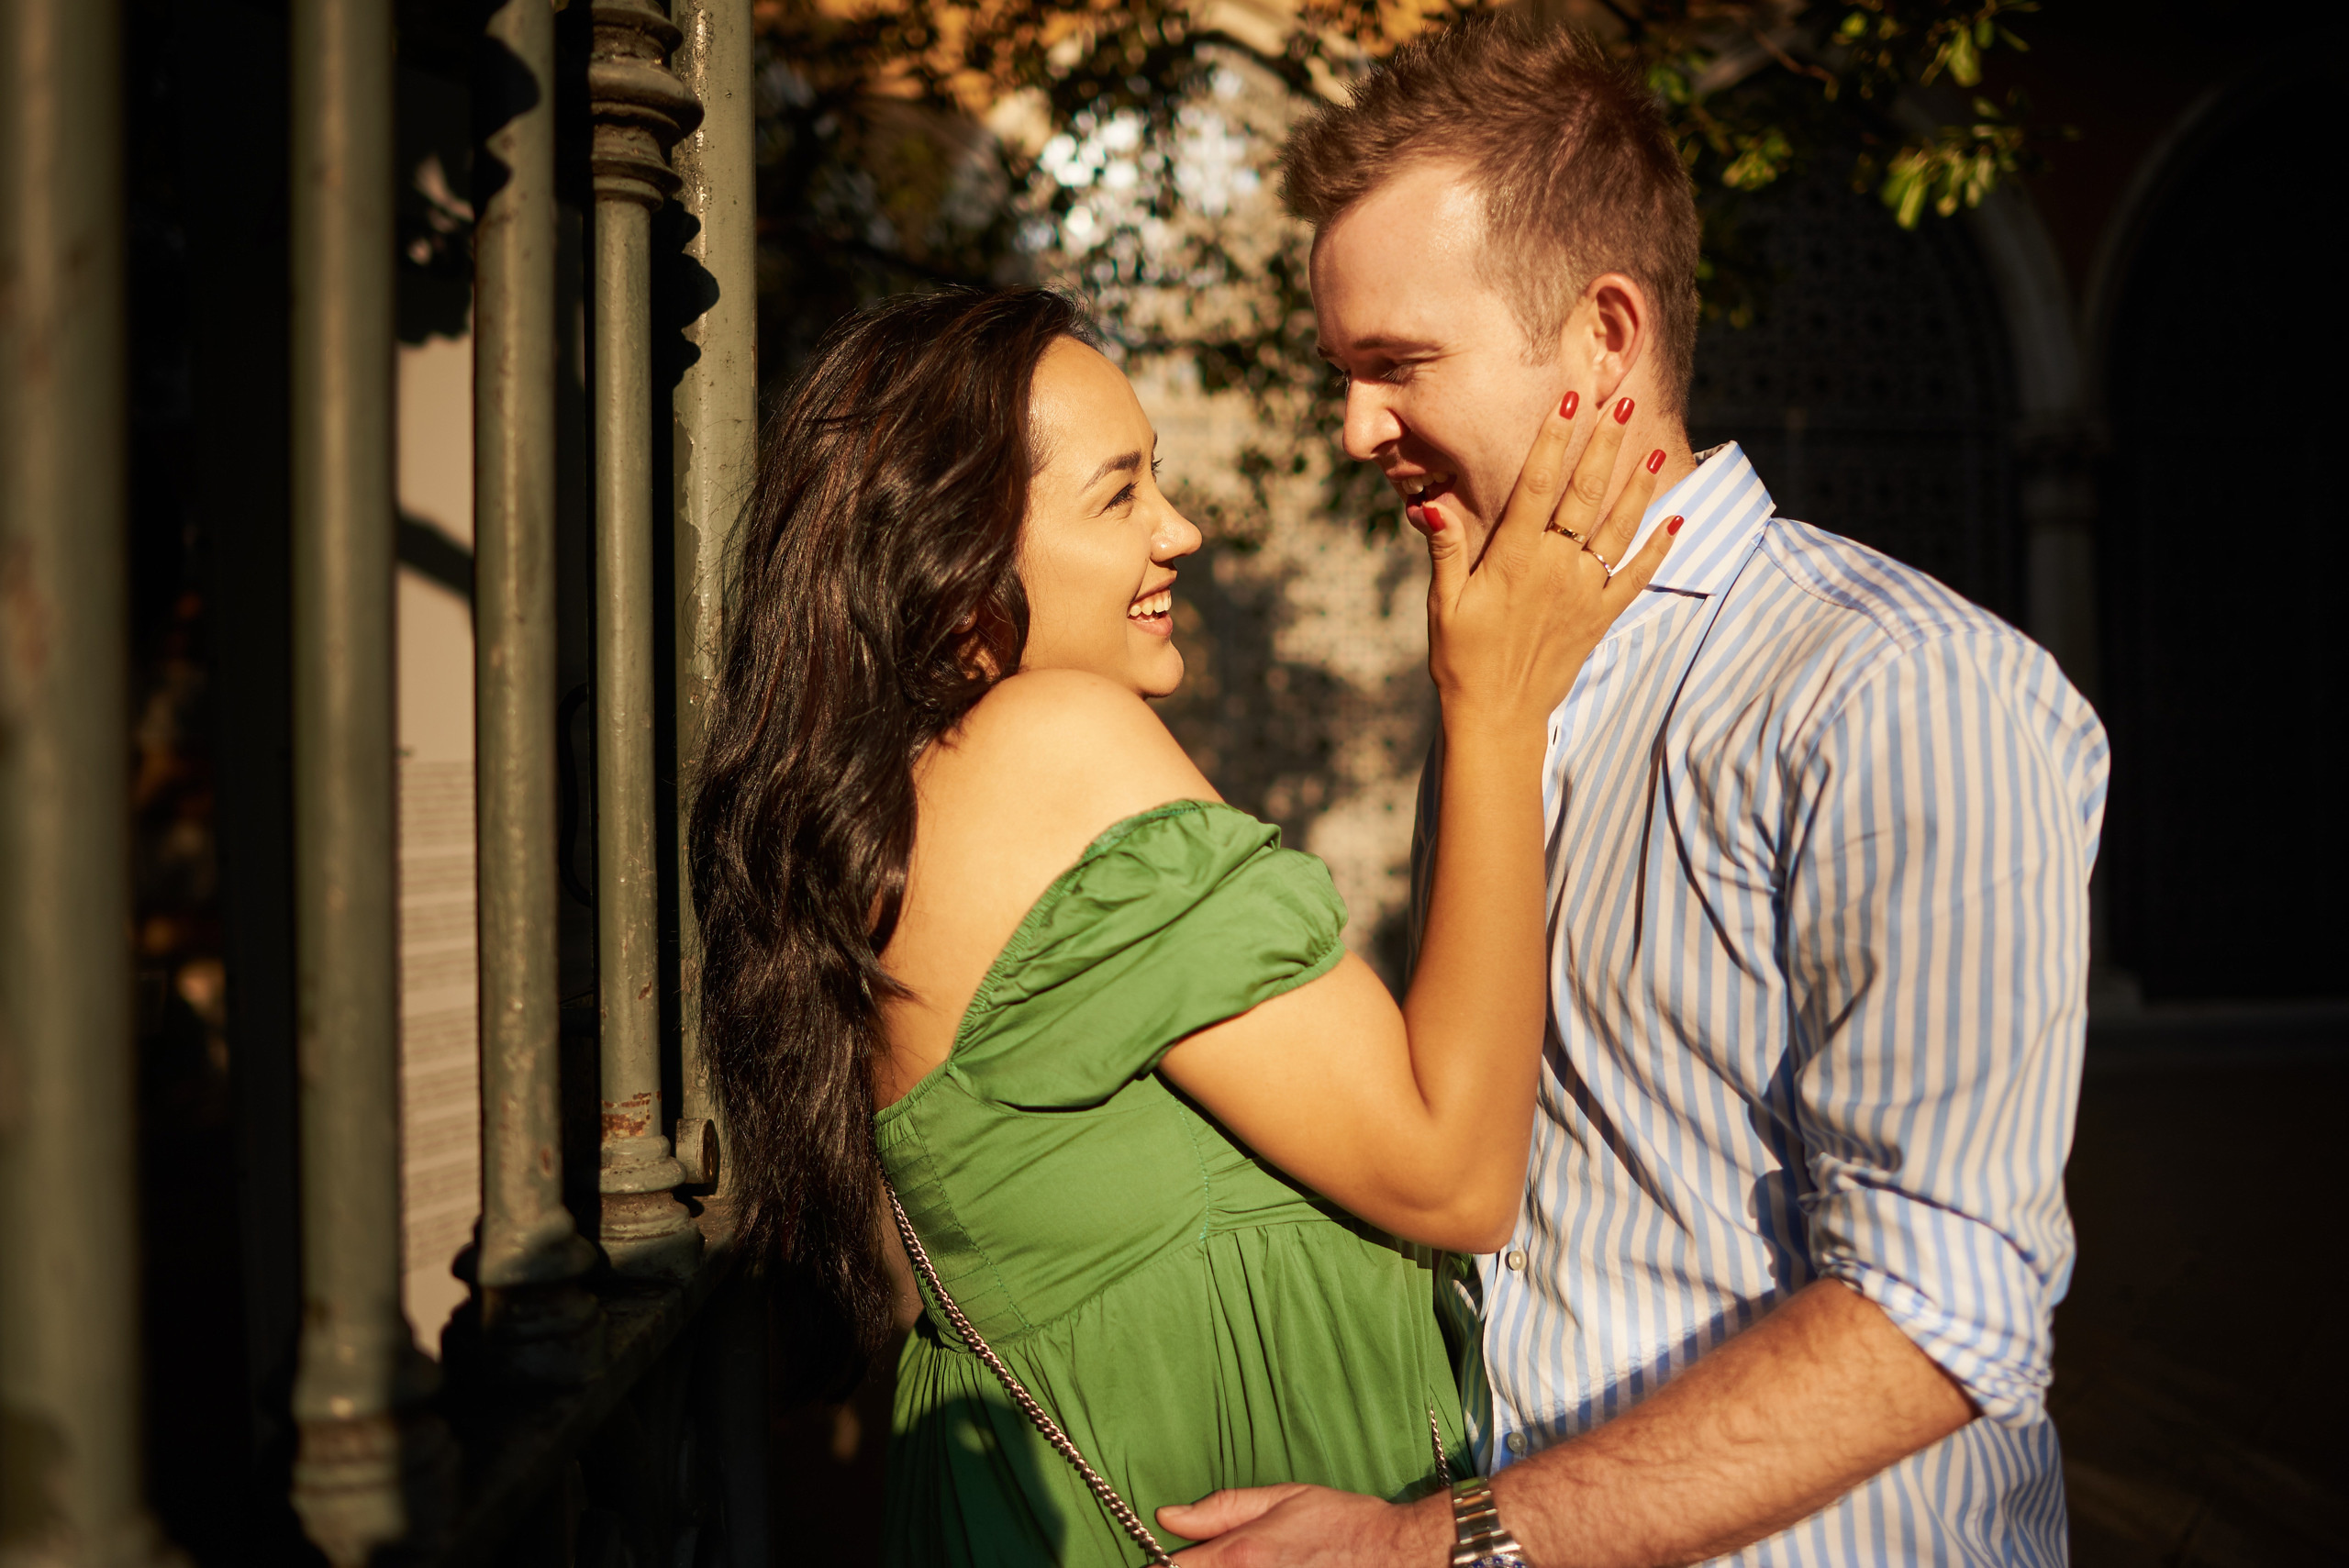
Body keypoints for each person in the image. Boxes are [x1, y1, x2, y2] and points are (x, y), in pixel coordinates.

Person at [1160, 16, 2110, 1568]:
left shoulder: (1895, 688)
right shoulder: (1499, 676)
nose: (1355, 431)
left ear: (1604, 337)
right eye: (1344, 375)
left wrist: (1425, 1548)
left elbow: (1939, 1318)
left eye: (1398, 366)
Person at [687, 285, 1677, 1565]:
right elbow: (1457, 1172)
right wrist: (1492, 702)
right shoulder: (1050, 745)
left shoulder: (906, 806)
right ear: (954, 556)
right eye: (1120, 494)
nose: (1183, 531)